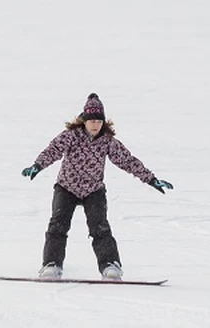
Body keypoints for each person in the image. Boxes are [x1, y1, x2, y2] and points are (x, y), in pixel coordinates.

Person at [21, 93, 173, 281]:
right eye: (91, 120)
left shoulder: (107, 141)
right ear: (84, 120)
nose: (95, 125)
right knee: (57, 226)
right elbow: (53, 150)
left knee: (99, 227)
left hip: (93, 190)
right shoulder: (71, 136)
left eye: (99, 121)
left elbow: (127, 161)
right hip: (66, 187)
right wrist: (37, 165)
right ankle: (51, 265)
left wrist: (151, 179)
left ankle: (110, 265)